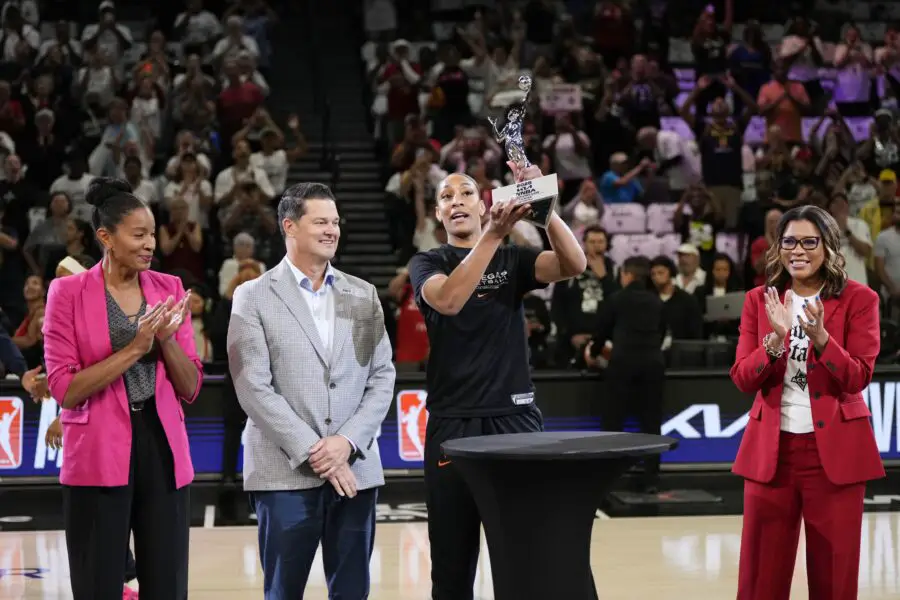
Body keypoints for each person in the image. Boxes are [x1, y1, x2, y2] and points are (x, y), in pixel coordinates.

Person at [407, 161, 586, 599]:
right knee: (452, 562)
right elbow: (449, 300)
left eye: (466, 193)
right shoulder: (427, 262)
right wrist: (493, 234)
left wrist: (544, 207)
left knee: (526, 554)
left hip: (515, 419)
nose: (456, 201)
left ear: (483, 204)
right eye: (446, 197)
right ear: (438, 214)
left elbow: (574, 263)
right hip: (454, 424)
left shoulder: (513, 259)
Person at [227, 182, 395, 599]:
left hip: (356, 471)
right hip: (283, 475)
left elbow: (382, 375)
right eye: (320, 222)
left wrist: (347, 442)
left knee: (353, 591)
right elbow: (252, 386)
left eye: (335, 222)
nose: (332, 230)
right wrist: (317, 451)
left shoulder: (364, 293)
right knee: (283, 592)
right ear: (290, 227)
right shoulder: (252, 296)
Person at [42, 177, 203, 600]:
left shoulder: (169, 288)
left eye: (152, 234)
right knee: (98, 583)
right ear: (106, 237)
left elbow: (190, 387)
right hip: (97, 449)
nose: (150, 244)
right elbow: (64, 388)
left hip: (162, 446)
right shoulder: (66, 293)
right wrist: (135, 348)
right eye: (138, 235)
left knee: (167, 584)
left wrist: (167, 340)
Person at [730, 205, 884, 599]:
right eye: (790, 242)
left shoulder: (859, 299)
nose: (798, 250)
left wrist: (822, 340)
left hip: (834, 454)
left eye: (809, 242)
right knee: (761, 578)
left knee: (834, 575)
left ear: (828, 246)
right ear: (778, 247)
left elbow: (858, 377)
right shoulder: (758, 300)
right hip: (772, 453)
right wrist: (775, 340)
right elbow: (743, 377)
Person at [584, 256, 667, 493]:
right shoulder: (656, 302)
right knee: (651, 423)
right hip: (652, 365)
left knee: (613, 422)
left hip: (623, 364)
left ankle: (609, 478)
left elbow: (601, 332)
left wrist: (593, 354)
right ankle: (651, 479)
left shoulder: (616, 299)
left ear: (628, 275)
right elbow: (662, 333)